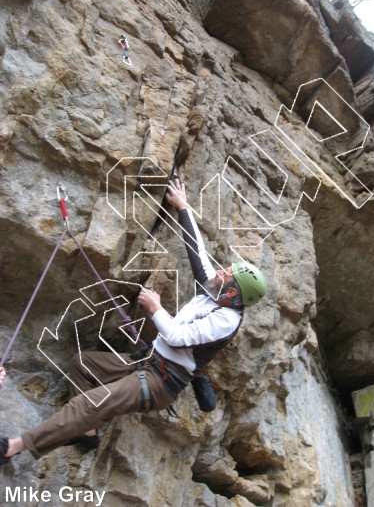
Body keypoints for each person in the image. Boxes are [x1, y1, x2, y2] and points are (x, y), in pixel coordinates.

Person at [0, 178, 267, 465]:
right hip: (147, 363)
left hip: (159, 382)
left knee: (88, 404)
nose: (219, 272)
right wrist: (183, 207)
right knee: (82, 363)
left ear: (233, 291)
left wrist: (156, 309)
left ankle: (14, 447)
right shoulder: (215, 291)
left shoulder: (226, 319)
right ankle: (87, 430)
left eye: (227, 274)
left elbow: (177, 337)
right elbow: (197, 252)